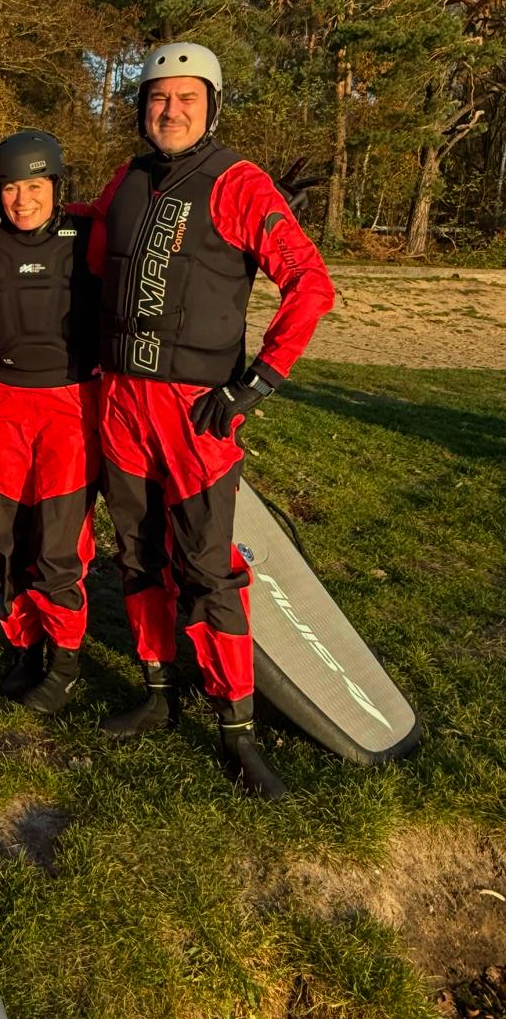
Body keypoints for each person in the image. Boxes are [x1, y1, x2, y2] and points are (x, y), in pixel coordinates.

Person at [88, 42, 335, 798]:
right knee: (137, 552)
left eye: (186, 99)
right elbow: (85, 243)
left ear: (210, 107)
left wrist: (258, 381)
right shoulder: (124, 180)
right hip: (122, 401)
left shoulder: (236, 182)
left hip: (195, 408)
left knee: (206, 566)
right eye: (158, 98)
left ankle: (235, 728)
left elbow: (309, 282)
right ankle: (158, 692)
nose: (169, 110)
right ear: (141, 107)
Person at [0, 130, 103, 714]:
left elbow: (165, 229)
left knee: (59, 542)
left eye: (33, 186)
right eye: (9, 187)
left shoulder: (89, 234)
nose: (21, 199)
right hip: (5, 401)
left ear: (56, 186)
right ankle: (23, 643)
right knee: (9, 537)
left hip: (70, 404)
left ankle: (66, 658)